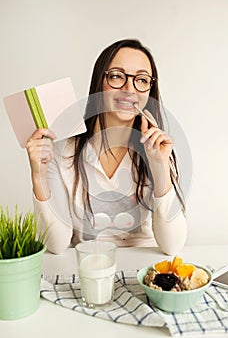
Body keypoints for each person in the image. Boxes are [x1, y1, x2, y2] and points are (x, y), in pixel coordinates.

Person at [26, 39, 187, 255]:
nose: (130, 89)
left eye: (141, 80)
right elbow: (56, 245)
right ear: (99, 82)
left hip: (143, 265)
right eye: (117, 76)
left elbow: (173, 246)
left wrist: (160, 167)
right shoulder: (62, 151)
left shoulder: (158, 149)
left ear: (150, 89)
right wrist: (38, 177)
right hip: (88, 264)